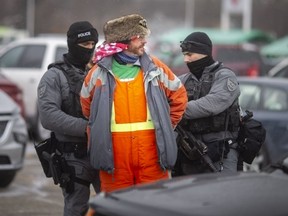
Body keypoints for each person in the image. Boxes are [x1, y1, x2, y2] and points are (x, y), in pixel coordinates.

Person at [80, 14, 187, 193]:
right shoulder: (97, 73)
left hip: (152, 159)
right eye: (139, 37)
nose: (144, 41)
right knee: (116, 209)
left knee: (152, 207)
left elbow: (179, 97)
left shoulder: (156, 68)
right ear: (124, 41)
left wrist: (167, 125)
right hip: (114, 162)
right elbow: (87, 109)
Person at [37, 21, 100, 216]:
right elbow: (49, 117)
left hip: (101, 152)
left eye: (92, 44)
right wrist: (88, 128)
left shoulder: (100, 71)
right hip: (73, 158)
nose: (89, 49)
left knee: (114, 206)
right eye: (84, 45)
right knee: (76, 209)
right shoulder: (54, 76)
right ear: (72, 44)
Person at [173, 31, 241, 176]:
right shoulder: (184, 80)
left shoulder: (225, 76)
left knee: (223, 192)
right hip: (191, 150)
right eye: (184, 55)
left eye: (190, 55)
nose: (186, 59)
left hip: (221, 150)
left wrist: (174, 110)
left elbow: (212, 104)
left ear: (204, 53)